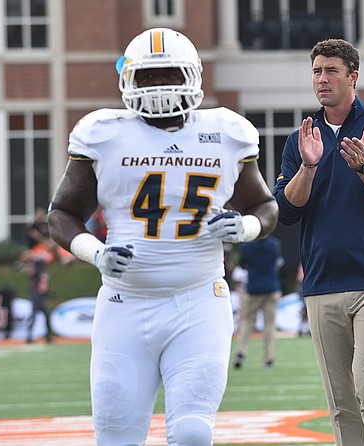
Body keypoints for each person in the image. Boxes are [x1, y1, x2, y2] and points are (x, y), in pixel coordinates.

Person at [46, 28, 279, 445]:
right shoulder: (104, 134)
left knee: (192, 434)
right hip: (124, 304)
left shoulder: (227, 134)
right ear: (127, 80)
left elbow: (266, 207)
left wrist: (243, 227)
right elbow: (61, 214)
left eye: (167, 73)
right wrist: (95, 252)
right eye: (147, 77)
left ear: (192, 74)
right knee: (116, 438)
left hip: (199, 301)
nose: (157, 86)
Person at [273, 38, 364, 445]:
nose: (322, 79)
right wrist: (308, 166)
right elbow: (286, 210)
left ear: (353, 76)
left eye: (331, 70)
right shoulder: (300, 137)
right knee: (341, 402)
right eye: (316, 71)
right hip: (323, 282)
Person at [234, 235, 283, 369]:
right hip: (272, 288)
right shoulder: (275, 244)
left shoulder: (247, 246)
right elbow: (276, 262)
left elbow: (242, 265)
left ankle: (241, 352)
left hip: (254, 288)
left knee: (248, 321)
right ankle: (269, 358)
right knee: (269, 325)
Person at [23, 240, 54, 344]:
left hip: (39, 294)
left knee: (44, 314)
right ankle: (30, 336)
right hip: (35, 294)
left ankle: (47, 336)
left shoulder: (41, 266)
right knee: (35, 315)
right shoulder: (35, 265)